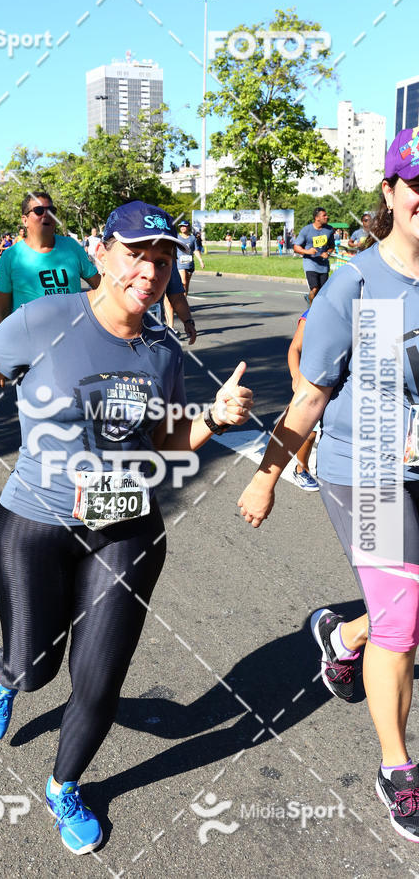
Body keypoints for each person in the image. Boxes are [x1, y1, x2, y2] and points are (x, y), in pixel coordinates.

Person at [0, 201, 253, 855]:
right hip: (35, 523)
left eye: (163, 260)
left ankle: (64, 784)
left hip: (126, 525)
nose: (150, 271)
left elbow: (162, 438)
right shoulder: (45, 319)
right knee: (36, 668)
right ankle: (4, 674)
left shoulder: (161, 351)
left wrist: (213, 419)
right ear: (100, 254)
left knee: (98, 680)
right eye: (136, 255)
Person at [237, 126, 419, 843]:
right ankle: (398, 768)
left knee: (404, 601)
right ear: (391, 192)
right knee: (404, 618)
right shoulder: (360, 285)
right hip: (366, 468)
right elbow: (311, 395)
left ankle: (343, 640)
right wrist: (269, 475)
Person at [0, 192, 99, 330]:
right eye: (39, 210)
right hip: (29, 345)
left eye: (51, 211)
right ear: (25, 220)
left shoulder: (71, 246)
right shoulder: (10, 257)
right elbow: (1, 310)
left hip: (73, 338)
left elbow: (100, 286)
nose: (47, 215)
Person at [288, 307, 319, 491]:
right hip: (313, 380)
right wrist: (296, 375)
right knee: (310, 432)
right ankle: (301, 469)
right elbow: (295, 348)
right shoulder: (313, 313)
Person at [293, 207, 335, 303]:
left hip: (323, 265)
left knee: (322, 291)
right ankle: (312, 311)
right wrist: (307, 252)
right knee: (315, 289)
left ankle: (309, 298)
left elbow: (332, 246)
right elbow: (296, 247)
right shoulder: (306, 230)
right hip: (310, 264)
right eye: (324, 215)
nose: (327, 217)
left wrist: (328, 252)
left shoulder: (329, 230)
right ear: (317, 218)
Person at [176, 220, 197, 295]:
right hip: (180, 263)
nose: (182, 227)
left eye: (184, 226)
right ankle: (181, 302)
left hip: (190, 263)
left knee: (187, 284)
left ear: (188, 227)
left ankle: (185, 300)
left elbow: (195, 250)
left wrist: (201, 261)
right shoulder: (177, 237)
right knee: (183, 281)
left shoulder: (192, 238)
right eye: (181, 226)